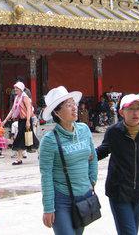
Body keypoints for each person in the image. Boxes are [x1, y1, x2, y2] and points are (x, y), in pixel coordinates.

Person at [97, 94, 139, 235]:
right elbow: (102, 151)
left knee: (132, 230)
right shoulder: (114, 131)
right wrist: (84, 154)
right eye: (131, 109)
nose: (135, 112)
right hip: (118, 189)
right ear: (121, 112)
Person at [39, 86, 98, 235]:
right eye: (68, 105)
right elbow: (46, 175)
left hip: (84, 197)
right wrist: (48, 208)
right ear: (57, 112)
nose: (74, 108)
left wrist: (92, 181)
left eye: (74, 103)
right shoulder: (49, 140)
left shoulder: (84, 130)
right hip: (61, 201)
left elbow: (93, 158)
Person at [3, 81, 38, 165]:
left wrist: (28, 121)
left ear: (21, 89)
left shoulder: (24, 97)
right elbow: (12, 110)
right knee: (24, 139)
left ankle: (19, 159)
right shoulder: (17, 98)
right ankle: (19, 159)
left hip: (26, 120)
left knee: (21, 138)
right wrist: (5, 120)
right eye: (15, 88)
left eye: (17, 88)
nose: (15, 89)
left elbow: (29, 109)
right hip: (21, 121)